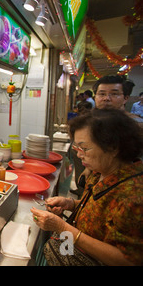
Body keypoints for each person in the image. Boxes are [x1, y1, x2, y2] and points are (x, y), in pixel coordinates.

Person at [31, 109, 143, 266]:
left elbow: (128, 260)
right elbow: (100, 212)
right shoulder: (101, 172)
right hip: (68, 251)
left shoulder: (134, 195)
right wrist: (70, 204)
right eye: (77, 148)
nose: (79, 155)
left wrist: (62, 227)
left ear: (113, 147)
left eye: (85, 148)